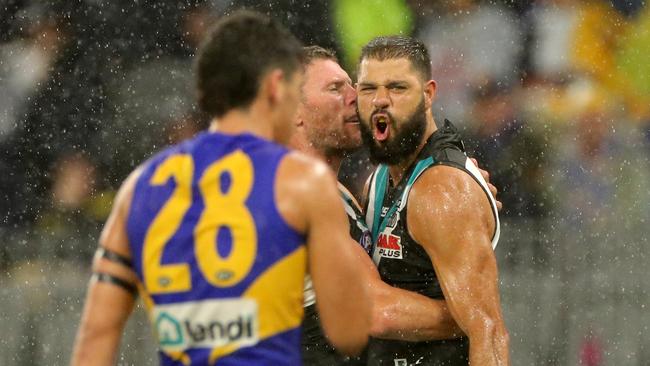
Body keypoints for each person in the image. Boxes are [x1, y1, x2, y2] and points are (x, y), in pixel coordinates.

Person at [71, 11, 371, 366]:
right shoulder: (302, 183)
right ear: (275, 86)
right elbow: (349, 332)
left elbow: (96, 335)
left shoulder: (140, 187)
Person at [292, 46, 500, 365]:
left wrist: (461, 193)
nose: (356, 98)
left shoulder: (344, 193)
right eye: (336, 89)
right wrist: (473, 313)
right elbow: (375, 311)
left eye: (354, 86)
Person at [356, 36, 510, 365]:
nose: (380, 101)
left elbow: (489, 331)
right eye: (368, 89)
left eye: (397, 88)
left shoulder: (443, 191)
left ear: (428, 95)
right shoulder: (378, 180)